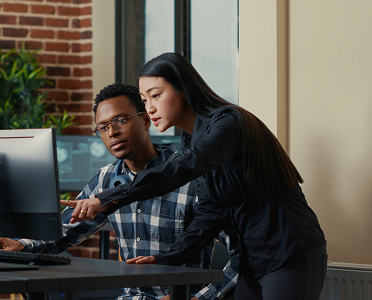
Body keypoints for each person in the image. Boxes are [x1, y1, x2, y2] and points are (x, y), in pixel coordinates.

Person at [66, 53, 327, 300]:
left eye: (156, 95)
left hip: (288, 253)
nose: (150, 108)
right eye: (145, 101)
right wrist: (167, 258)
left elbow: (183, 169)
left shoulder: (228, 122)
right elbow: (212, 212)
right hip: (252, 261)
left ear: (183, 89)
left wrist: (108, 198)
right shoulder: (191, 141)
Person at [0, 83, 238, 300]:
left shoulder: (192, 177)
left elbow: (240, 255)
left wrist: (199, 298)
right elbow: (62, 234)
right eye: (103, 127)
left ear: (145, 119)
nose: (112, 133)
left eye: (120, 120)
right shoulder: (106, 179)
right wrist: (20, 245)